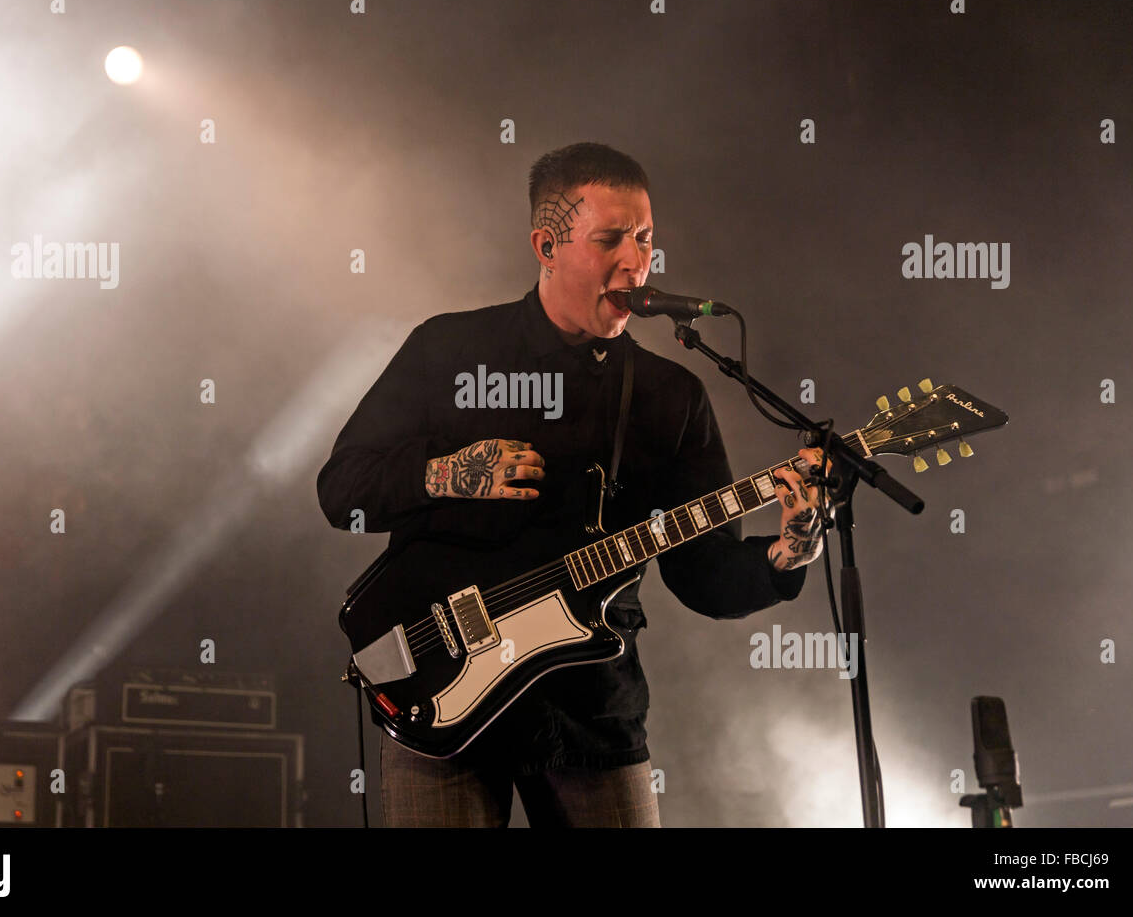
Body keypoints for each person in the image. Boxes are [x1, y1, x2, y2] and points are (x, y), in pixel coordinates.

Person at [317, 142, 828, 827]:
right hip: (440, 683)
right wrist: (447, 472)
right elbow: (342, 490)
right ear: (547, 245)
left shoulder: (669, 395)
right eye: (609, 239)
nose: (633, 260)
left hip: (593, 712)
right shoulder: (449, 349)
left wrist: (787, 553)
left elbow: (702, 576)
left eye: (644, 239)